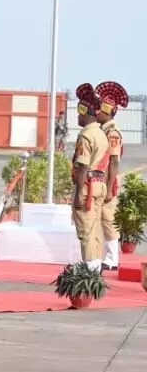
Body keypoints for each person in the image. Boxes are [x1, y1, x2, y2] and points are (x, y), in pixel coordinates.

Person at [72, 84, 110, 272]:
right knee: (94, 228)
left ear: (88, 112)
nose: (78, 116)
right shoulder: (101, 133)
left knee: (85, 229)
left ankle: (89, 268)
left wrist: (78, 193)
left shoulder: (86, 136)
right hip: (99, 184)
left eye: (80, 111)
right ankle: (95, 263)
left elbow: (82, 165)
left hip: (87, 187)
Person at [96, 82, 128, 270]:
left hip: (108, 179)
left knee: (108, 219)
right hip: (103, 178)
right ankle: (109, 256)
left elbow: (114, 161)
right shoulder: (104, 130)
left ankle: (112, 258)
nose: (96, 113)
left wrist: (108, 187)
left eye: (99, 110)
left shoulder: (112, 133)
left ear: (107, 112)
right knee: (104, 218)